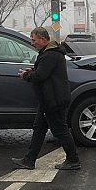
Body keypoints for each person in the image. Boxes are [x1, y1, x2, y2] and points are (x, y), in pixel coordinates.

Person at [11, 27, 80, 171]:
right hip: (48, 100)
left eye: (34, 40)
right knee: (39, 129)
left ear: (43, 40)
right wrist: (33, 71)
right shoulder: (48, 53)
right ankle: (29, 160)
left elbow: (40, 75)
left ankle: (73, 160)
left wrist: (26, 75)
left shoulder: (50, 55)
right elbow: (45, 73)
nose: (32, 43)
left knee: (60, 131)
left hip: (54, 100)